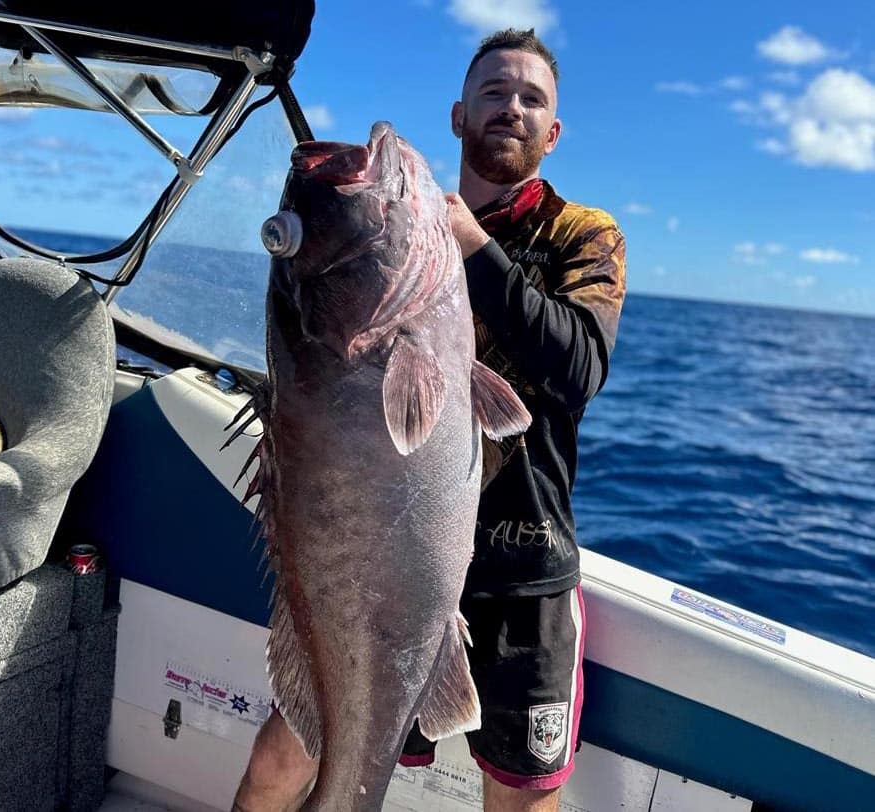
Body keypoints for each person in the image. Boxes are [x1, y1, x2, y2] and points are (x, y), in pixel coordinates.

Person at [234, 27, 626, 812]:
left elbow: (578, 368)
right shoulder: (399, 238)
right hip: (375, 568)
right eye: (492, 92)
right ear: (458, 116)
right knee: (282, 762)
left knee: (520, 799)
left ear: (553, 132)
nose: (510, 107)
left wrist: (473, 244)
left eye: (531, 98)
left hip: (523, 567)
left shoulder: (586, 235)